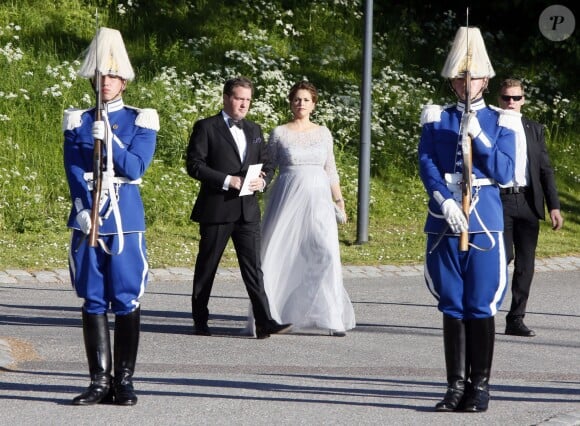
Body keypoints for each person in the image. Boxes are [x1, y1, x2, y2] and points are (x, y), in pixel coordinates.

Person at [418, 27, 516, 412]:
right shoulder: (437, 117)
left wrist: (481, 136)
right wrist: (443, 201)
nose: (466, 82)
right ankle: (455, 386)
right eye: (459, 76)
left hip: (484, 221)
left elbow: (506, 172)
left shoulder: (502, 121)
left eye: (472, 76)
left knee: (480, 303)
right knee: (452, 303)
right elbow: (427, 163)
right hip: (445, 221)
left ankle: (480, 386)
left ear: (485, 80)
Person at [63, 27, 158, 406]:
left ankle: (125, 380)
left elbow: (136, 168)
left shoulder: (140, 120)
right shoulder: (77, 121)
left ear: (124, 83)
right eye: (102, 75)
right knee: (93, 298)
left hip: (124, 221)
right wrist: (83, 210)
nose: (107, 82)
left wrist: (112, 140)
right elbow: (72, 169)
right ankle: (99, 381)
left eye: (114, 76)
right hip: (89, 219)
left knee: (125, 297)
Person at [244, 81, 356, 337]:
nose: (301, 104)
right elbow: (268, 166)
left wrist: (339, 201)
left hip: (319, 199)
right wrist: (257, 183)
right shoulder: (279, 133)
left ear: (313, 104)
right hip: (288, 196)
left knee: (325, 253)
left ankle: (331, 315)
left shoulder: (324, 133)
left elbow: (331, 169)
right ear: (290, 103)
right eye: (297, 99)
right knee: (277, 251)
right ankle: (269, 315)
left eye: (306, 100)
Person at [185, 76, 292, 339]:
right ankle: (200, 319)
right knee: (207, 266)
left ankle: (265, 321)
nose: (243, 104)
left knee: (254, 268)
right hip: (217, 208)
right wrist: (227, 180)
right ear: (226, 98)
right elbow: (194, 165)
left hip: (248, 210)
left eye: (247, 100)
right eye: (239, 98)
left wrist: (263, 181)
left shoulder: (254, 130)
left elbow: (267, 164)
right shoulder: (206, 127)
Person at [496, 78, 564, 337]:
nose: (510, 103)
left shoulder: (534, 129)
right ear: (499, 99)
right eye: (506, 98)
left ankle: (516, 318)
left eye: (515, 98)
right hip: (500, 199)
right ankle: (485, 310)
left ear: (523, 99)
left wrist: (554, 206)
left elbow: (545, 169)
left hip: (528, 201)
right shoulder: (492, 124)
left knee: (526, 264)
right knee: (502, 258)